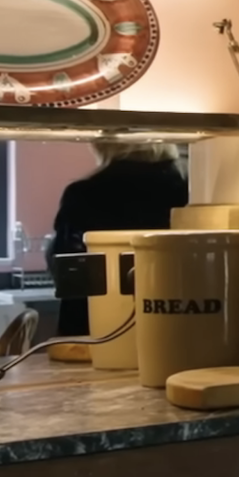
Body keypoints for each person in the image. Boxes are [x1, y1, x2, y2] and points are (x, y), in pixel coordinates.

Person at [48, 141, 189, 336]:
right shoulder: (187, 190)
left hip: (93, 327)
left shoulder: (85, 194)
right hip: (174, 319)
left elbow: (67, 269)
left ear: (103, 144)